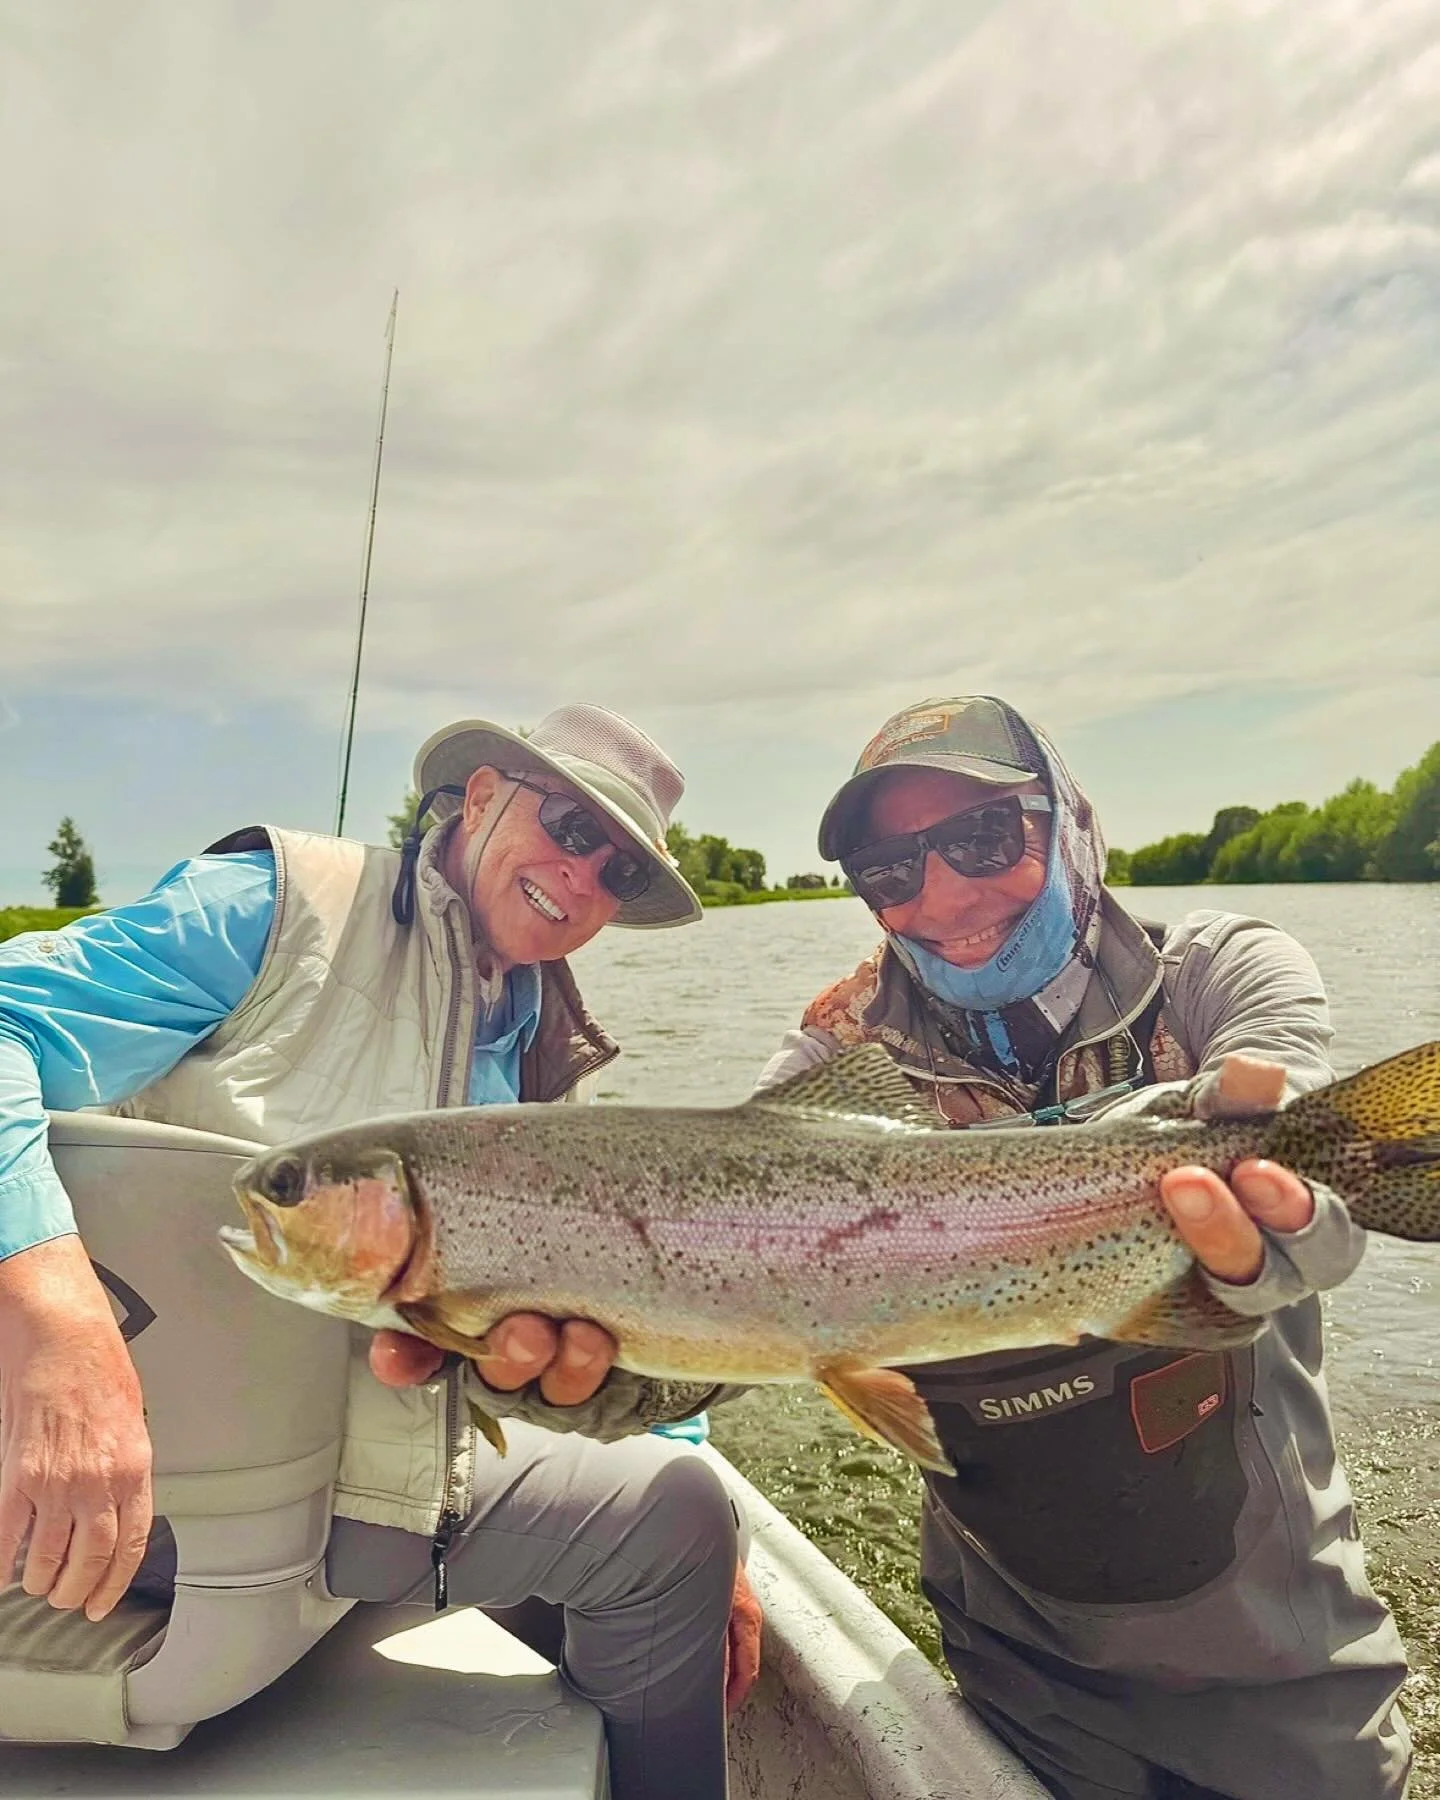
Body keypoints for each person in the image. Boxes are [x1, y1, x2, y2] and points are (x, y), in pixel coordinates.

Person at [0, 703, 761, 1800]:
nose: (584, 874)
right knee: (665, 1532)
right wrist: (59, 1325)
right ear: (484, 793)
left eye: (623, 869)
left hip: (353, 1491)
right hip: (143, 1502)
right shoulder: (274, 904)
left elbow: (615, 1301)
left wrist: (703, 1477)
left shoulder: (549, 1055)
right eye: (568, 822)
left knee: (691, 1510)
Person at [754, 695, 1411, 1800]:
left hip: (1284, 1660)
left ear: (1073, 823)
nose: (943, 896)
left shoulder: (1219, 971)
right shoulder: (832, 1054)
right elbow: (718, 1270)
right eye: (890, 872)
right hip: (1015, 1666)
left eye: (981, 840)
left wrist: (1277, 1203)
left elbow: (1325, 1192)